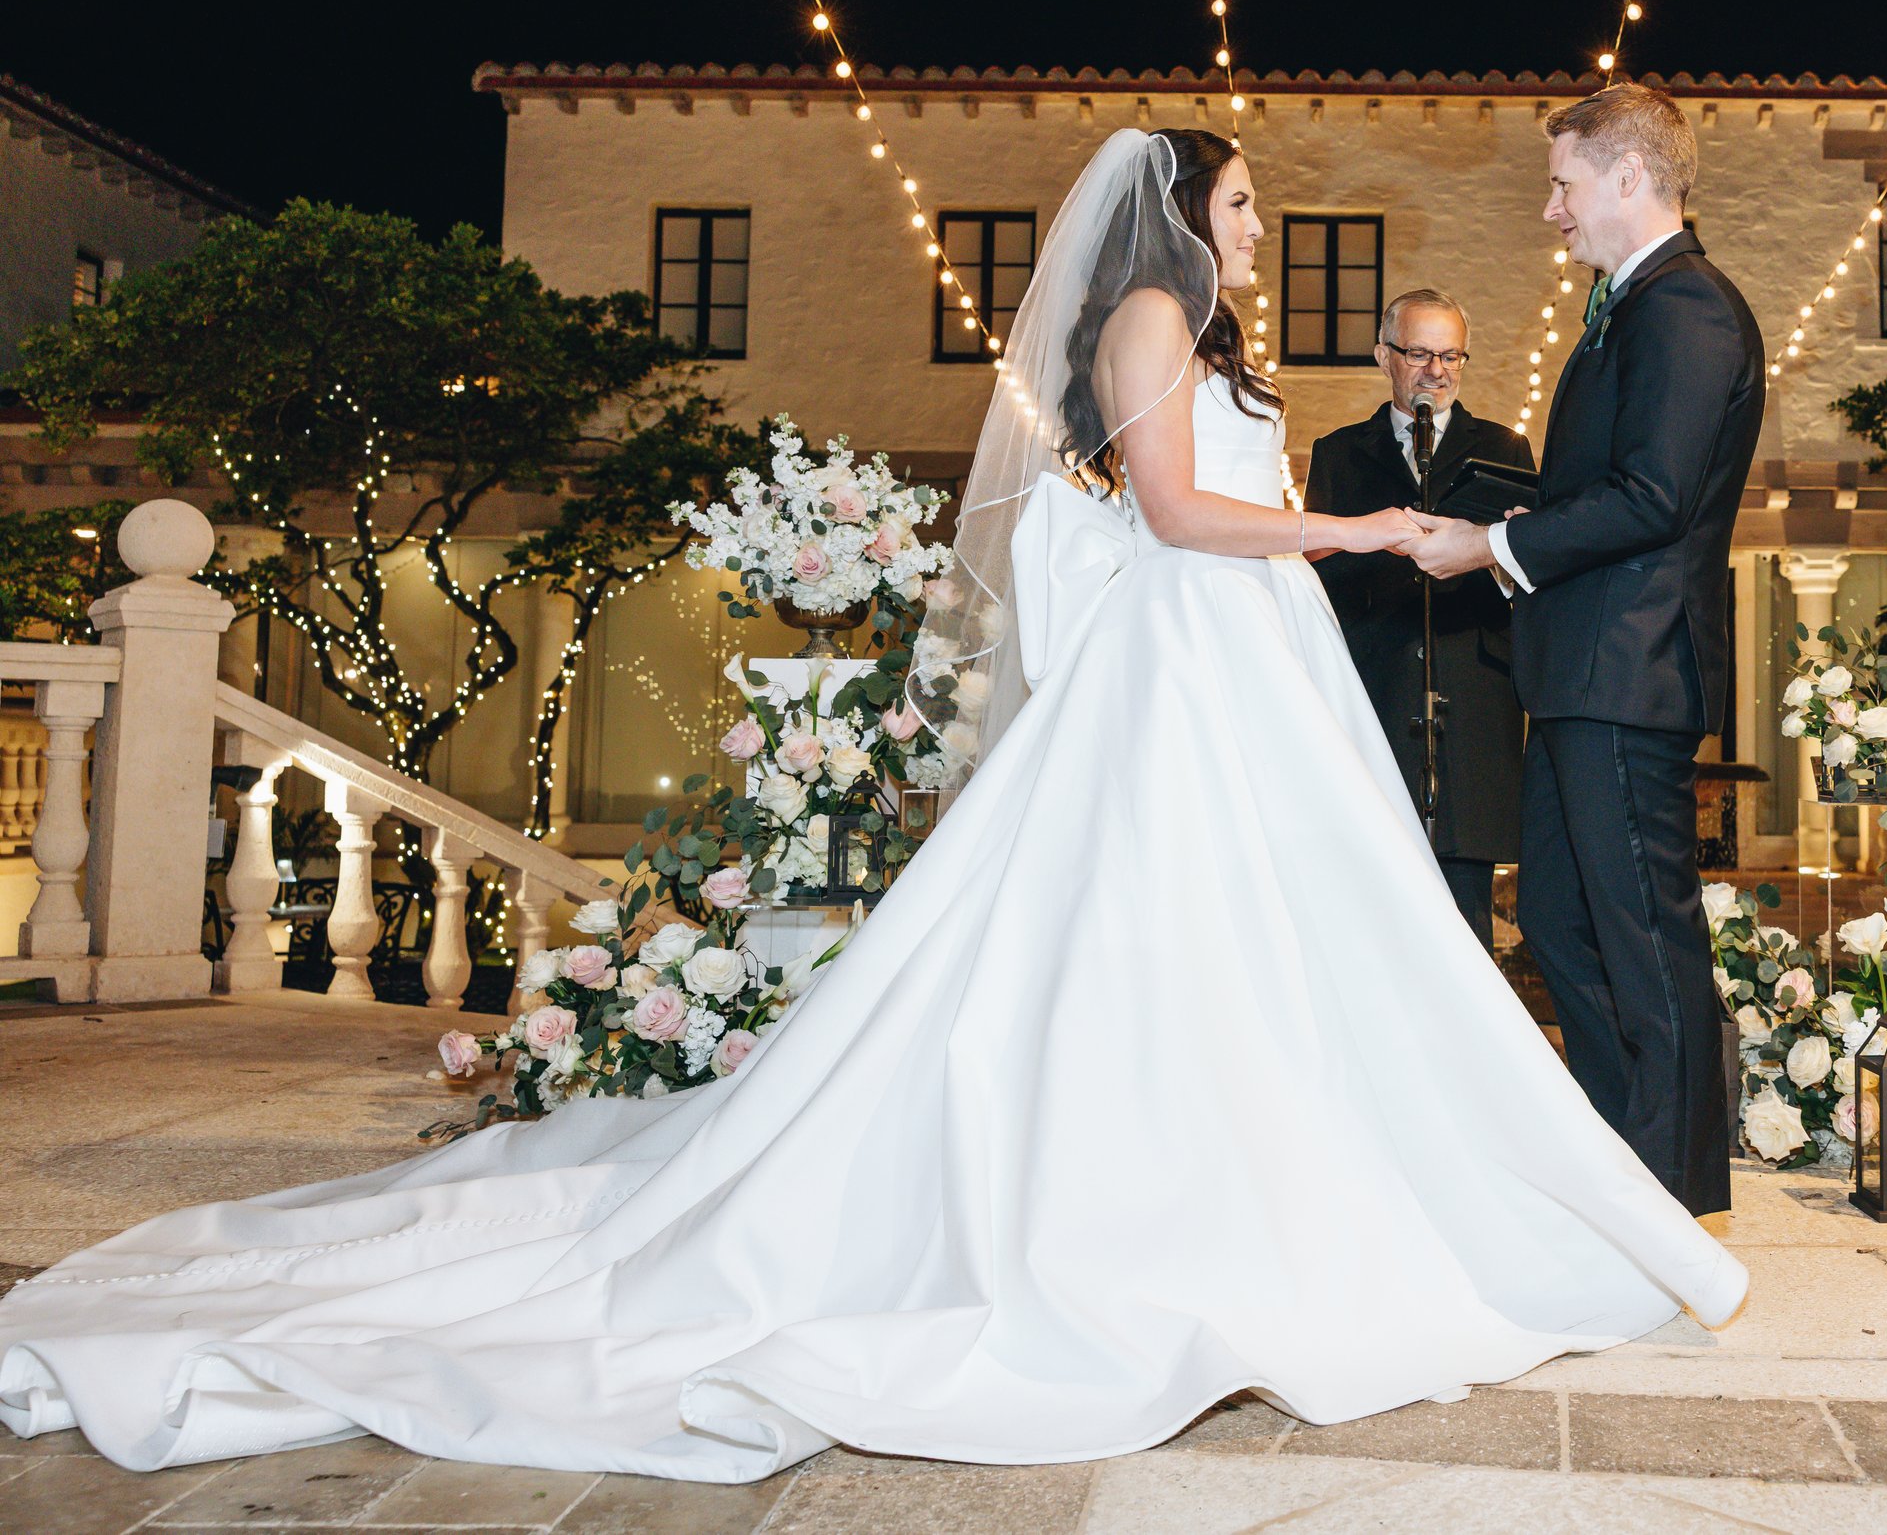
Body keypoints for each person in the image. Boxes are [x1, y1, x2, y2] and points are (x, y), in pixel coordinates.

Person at [0, 127, 1746, 1484]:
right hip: (1186, 668)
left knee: (1260, 940)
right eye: (1238, 201)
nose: (1255, 225)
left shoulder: (1204, 328)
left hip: (1241, 676)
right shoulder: (1147, 315)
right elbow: (1173, 517)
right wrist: (1356, 527)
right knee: (1149, 929)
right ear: (1171, 215)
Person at [1402, 86, 1766, 1226]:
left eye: (1562, 183)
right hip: (1578, 673)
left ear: (1626, 177)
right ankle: (1623, 1162)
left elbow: (1654, 498)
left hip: (1630, 670)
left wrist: (1489, 544)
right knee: (1561, 922)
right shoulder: (1626, 306)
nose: (1549, 210)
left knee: (1644, 936)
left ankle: (1675, 1198)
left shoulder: (1687, 310)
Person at [1302, 288, 1535, 949]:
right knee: (1369, 903)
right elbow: (1322, 578)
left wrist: (1483, 553)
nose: (1437, 370)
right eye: (1421, 353)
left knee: (1465, 918)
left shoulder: (1505, 447)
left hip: (1472, 701)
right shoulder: (1339, 452)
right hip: (1376, 693)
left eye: (1452, 356)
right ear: (1385, 356)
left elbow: (1532, 572)